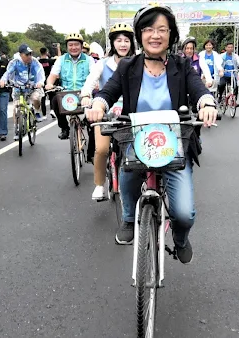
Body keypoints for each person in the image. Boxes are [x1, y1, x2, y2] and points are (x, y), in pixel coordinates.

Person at [86, 4, 217, 264]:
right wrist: (98, 105)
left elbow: (198, 88)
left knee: (184, 213)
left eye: (161, 29)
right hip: (137, 140)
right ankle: (128, 218)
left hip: (175, 145)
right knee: (127, 174)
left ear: (171, 35)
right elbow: (108, 91)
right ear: (140, 34)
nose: (155, 35)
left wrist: (207, 103)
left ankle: (180, 239)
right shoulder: (128, 66)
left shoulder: (181, 65)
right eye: (148, 29)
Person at [80, 23, 136, 201]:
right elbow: (90, 82)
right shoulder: (102, 64)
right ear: (113, 44)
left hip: (130, 114)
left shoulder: (138, 62)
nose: (123, 44)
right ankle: (99, 185)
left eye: (126, 40)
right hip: (105, 113)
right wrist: (86, 96)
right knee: (102, 149)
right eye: (119, 40)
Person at [45, 33, 95, 140]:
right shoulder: (61, 59)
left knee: (92, 123)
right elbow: (53, 75)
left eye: (76, 45)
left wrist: (96, 85)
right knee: (54, 101)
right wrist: (49, 83)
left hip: (84, 94)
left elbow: (94, 75)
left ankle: (91, 150)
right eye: (70, 45)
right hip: (66, 94)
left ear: (81, 46)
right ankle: (64, 128)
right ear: (67, 47)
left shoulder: (89, 60)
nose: (73, 47)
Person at [0, 44, 46, 140]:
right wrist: (3, 80)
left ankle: (37, 112)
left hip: (33, 86)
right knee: (16, 107)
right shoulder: (15, 62)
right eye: (27, 54)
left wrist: (40, 82)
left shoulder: (34, 62)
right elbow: (8, 73)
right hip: (18, 87)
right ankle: (17, 128)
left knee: (35, 98)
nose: (29, 56)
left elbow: (40, 72)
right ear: (21, 55)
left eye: (30, 54)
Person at [38, 47, 57, 120]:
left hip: (41, 80)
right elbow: (59, 58)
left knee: (43, 97)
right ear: (46, 52)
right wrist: (58, 49)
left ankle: (44, 114)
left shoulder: (38, 62)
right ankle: (52, 110)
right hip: (49, 79)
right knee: (52, 96)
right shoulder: (49, 61)